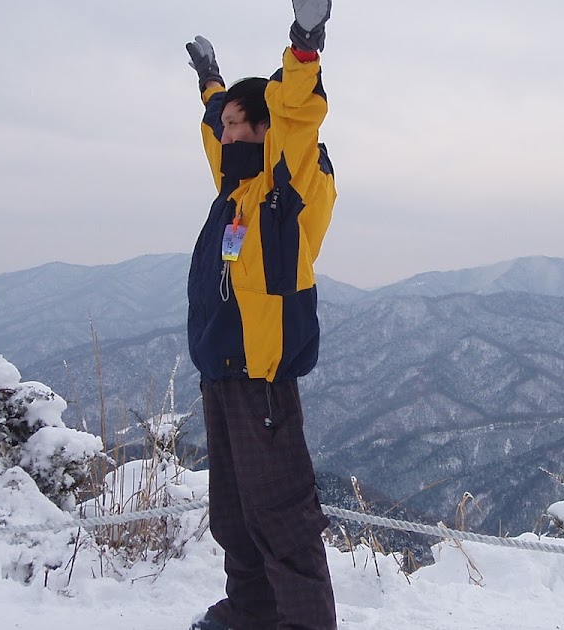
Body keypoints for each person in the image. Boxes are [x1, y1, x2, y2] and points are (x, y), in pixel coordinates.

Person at [183, 1, 336, 629]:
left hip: (262, 378)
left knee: (281, 515)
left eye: (236, 125)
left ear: (266, 131)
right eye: (223, 126)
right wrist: (210, 85)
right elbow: (219, 124)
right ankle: (252, 613)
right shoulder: (236, 187)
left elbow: (295, 111)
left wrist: (304, 42)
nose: (223, 133)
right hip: (222, 373)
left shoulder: (286, 186)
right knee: (235, 513)